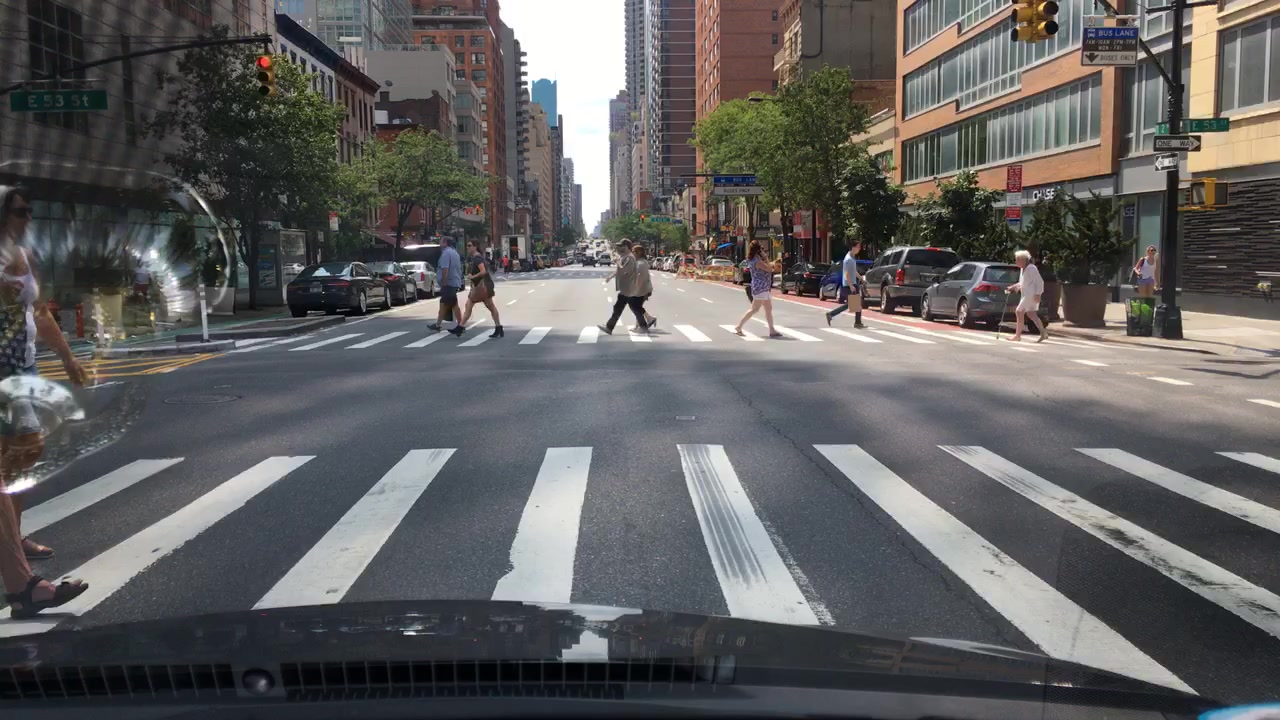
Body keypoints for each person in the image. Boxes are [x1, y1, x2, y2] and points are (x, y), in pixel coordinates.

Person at [0, 186, 89, 617]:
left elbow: (39, 312)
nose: (28, 218)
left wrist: (68, 357)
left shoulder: (22, 255)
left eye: (30, 210)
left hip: (22, 365)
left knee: (25, 453)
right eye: (21, 211)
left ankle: (12, 542)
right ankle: (20, 582)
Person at [733, 240, 782, 338]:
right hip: (760, 287)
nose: (762, 251)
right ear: (757, 250)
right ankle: (739, 326)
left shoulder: (755, 260)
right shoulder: (757, 261)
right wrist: (766, 258)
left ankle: (771, 330)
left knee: (768, 308)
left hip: (763, 287)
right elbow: (769, 269)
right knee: (754, 309)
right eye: (761, 249)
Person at [598, 239, 647, 335]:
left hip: (628, 288)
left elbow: (625, 271)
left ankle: (609, 327)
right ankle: (643, 326)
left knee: (620, 308)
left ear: (626, 247)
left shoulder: (629, 258)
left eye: (621, 246)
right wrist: (611, 277)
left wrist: (617, 262)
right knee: (633, 308)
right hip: (627, 287)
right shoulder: (627, 257)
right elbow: (621, 270)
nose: (619, 248)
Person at [460, 240, 502, 338]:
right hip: (480, 286)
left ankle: (460, 327)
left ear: (475, 247)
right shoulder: (474, 258)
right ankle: (460, 327)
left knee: (489, 306)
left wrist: (473, 277)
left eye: (469, 245)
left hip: (483, 286)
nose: (468, 247)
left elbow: (483, 271)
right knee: (470, 305)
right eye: (467, 245)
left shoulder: (477, 258)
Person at [428, 237, 466, 336]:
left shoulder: (446, 253)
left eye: (441, 242)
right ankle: (440, 324)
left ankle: (459, 325)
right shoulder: (455, 253)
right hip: (454, 282)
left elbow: (445, 268)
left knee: (449, 304)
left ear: (445, 243)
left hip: (448, 283)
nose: (440, 244)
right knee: (449, 304)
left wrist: (444, 282)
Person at [1008, 249, 1048, 342]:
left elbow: (1040, 282)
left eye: (1018, 260)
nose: (1016, 262)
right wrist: (1013, 287)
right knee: (1031, 314)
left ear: (1023, 260)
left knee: (1019, 311)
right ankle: (1043, 333)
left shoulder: (1031, 268)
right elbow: (1022, 283)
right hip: (1027, 294)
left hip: (1031, 295)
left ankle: (1017, 336)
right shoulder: (1023, 269)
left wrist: (1038, 294)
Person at [825, 240, 866, 328]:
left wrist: (861, 279)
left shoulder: (852, 258)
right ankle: (857, 322)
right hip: (849, 285)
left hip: (852, 284)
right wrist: (851, 285)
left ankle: (832, 314)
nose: (859, 249)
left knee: (853, 304)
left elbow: (853, 271)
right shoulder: (848, 259)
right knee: (855, 304)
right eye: (858, 247)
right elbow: (846, 273)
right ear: (853, 247)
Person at [630, 245, 656, 331]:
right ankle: (648, 320)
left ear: (639, 253)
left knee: (635, 307)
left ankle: (643, 326)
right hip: (643, 289)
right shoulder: (640, 262)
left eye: (633, 252)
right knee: (637, 307)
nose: (632, 253)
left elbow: (640, 279)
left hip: (641, 290)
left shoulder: (640, 264)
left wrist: (635, 290)